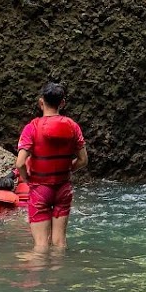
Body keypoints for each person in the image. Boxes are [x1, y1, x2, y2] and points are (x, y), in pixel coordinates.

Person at [15, 82, 88, 252]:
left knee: (41, 245)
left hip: (40, 189)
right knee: (60, 243)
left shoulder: (31, 128)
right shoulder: (73, 126)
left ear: (41, 102)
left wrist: (26, 177)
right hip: (63, 188)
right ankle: (58, 276)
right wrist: (68, 169)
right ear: (62, 103)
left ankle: (39, 278)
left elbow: (19, 163)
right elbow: (83, 160)